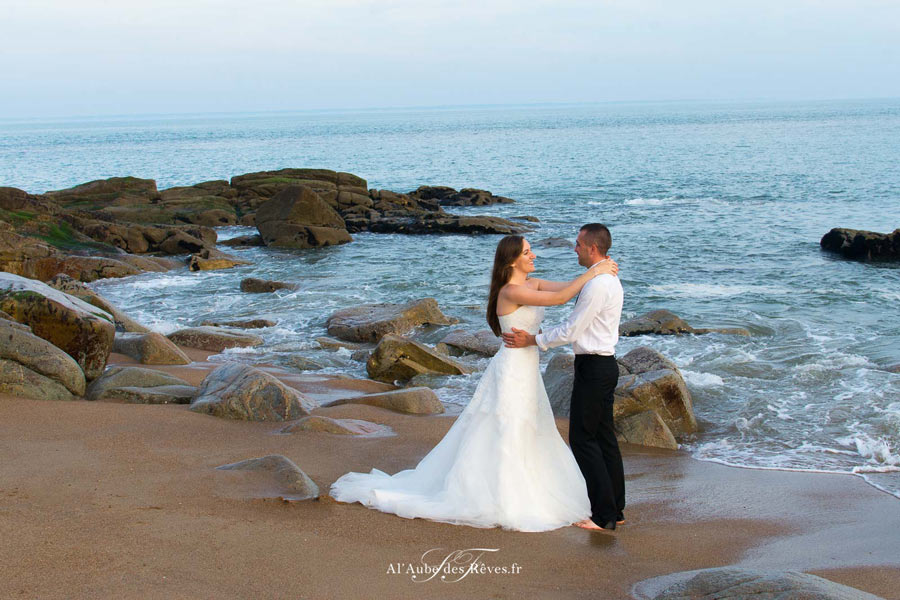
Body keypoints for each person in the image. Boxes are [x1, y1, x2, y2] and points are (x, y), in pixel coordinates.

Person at [329, 235, 618, 531]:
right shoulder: (510, 291)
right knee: (507, 427)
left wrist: (601, 274)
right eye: (527, 252)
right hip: (512, 368)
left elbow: (571, 290)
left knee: (530, 428)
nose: (534, 256)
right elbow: (561, 298)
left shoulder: (534, 283)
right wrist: (596, 270)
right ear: (511, 261)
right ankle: (504, 496)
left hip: (528, 369)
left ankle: (535, 489)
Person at [502, 223, 624, 531]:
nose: (575, 248)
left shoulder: (598, 283)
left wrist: (533, 340)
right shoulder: (602, 279)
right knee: (604, 437)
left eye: (579, 244)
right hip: (603, 364)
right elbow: (568, 293)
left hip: (594, 366)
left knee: (583, 439)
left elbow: (571, 330)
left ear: (592, 249)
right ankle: (615, 509)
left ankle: (604, 515)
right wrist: (597, 271)